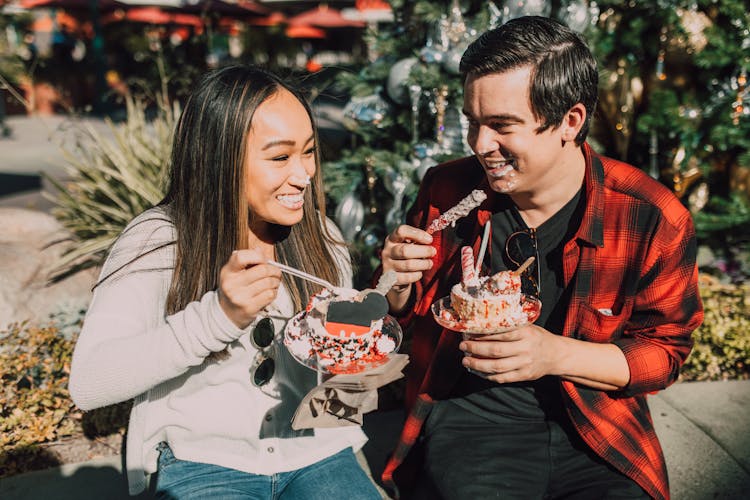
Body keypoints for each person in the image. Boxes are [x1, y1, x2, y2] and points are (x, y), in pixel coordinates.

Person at [377, 16, 703, 500]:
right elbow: (401, 321)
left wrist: (553, 355)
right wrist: (398, 284)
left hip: (597, 426)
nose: (479, 144)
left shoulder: (650, 215)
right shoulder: (447, 190)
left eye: (502, 126)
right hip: (471, 421)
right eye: (472, 122)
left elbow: (665, 354)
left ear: (570, 121)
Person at [69, 65, 382, 499]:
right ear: (220, 159)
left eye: (308, 151)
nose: (303, 175)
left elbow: (343, 393)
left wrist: (373, 321)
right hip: (203, 463)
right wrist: (217, 317)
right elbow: (88, 383)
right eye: (279, 157)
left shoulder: (320, 236)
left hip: (318, 452)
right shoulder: (160, 240)